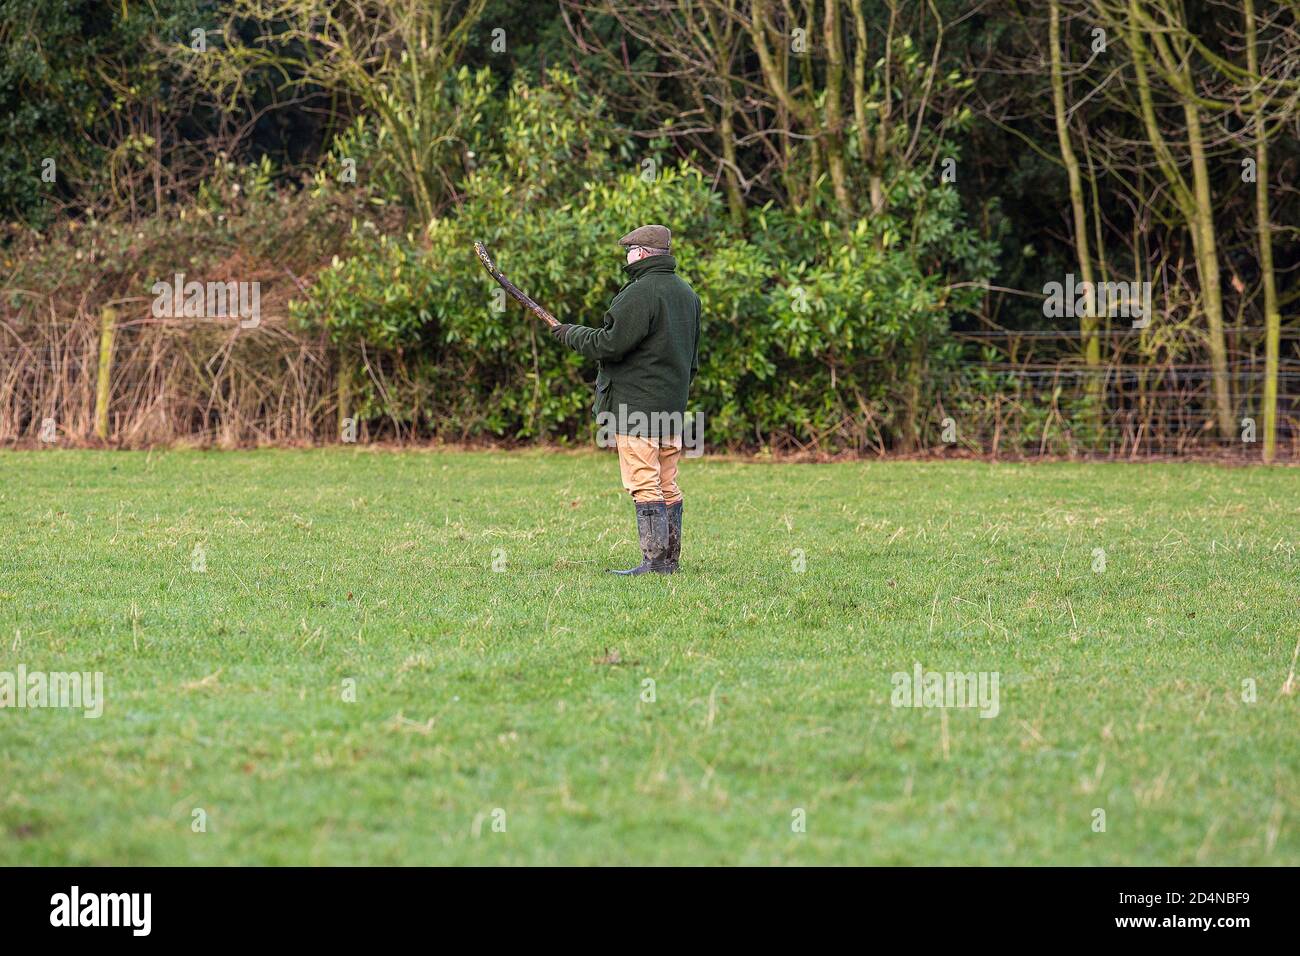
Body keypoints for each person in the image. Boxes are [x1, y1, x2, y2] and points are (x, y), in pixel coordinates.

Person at [549, 224, 702, 575]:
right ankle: (669, 562)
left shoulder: (640, 293)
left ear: (643, 254)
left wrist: (570, 333)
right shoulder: (687, 294)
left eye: (629, 251)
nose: (626, 257)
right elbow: (692, 358)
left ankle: (653, 563)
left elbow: (609, 344)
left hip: (636, 408)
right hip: (672, 408)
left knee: (643, 482)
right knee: (667, 481)